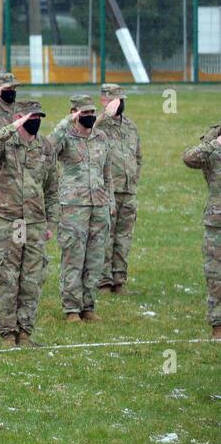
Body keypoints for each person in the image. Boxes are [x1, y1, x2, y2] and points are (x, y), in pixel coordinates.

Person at [0, 101, 58, 346]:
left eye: (39, 116)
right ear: (20, 117)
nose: (37, 121)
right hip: (6, 220)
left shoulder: (45, 147)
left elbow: (52, 187)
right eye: (32, 117)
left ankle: (25, 333)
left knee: (32, 278)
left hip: (33, 222)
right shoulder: (4, 144)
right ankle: (7, 334)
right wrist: (10, 128)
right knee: (5, 277)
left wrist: (51, 223)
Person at [52, 95, 112, 323]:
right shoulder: (65, 137)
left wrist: (110, 202)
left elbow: (106, 172)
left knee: (95, 259)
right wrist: (66, 122)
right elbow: (48, 149)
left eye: (92, 112)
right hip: (73, 207)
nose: (89, 116)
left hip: (99, 204)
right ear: (74, 113)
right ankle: (71, 309)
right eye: (84, 113)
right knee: (73, 257)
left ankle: (88, 306)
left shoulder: (101, 137)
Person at [95, 84, 141, 295]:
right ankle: (103, 281)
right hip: (107, 190)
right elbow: (85, 134)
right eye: (115, 100)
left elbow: (137, 156)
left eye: (122, 100)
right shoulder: (97, 125)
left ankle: (119, 280)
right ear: (105, 101)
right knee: (106, 234)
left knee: (124, 236)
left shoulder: (130, 127)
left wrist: (134, 178)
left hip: (128, 190)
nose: (120, 103)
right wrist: (104, 115)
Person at [182, 129, 221, 339]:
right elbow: (189, 158)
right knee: (216, 276)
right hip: (217, 223)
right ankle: (218, 325)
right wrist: (215, 142)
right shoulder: (213, 149)